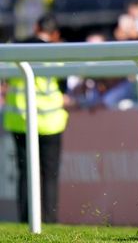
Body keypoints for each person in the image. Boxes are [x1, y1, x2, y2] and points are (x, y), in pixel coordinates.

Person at [3, 14, 69, 223]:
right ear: (55, 33)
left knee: (25, 172)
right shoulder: (56, 52)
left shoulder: (15, 49)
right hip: (50, 123)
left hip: (20, 120)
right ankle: (50, 220)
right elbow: (63, 86)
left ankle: (25, 220)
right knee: (49, 174)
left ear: (35, 26)